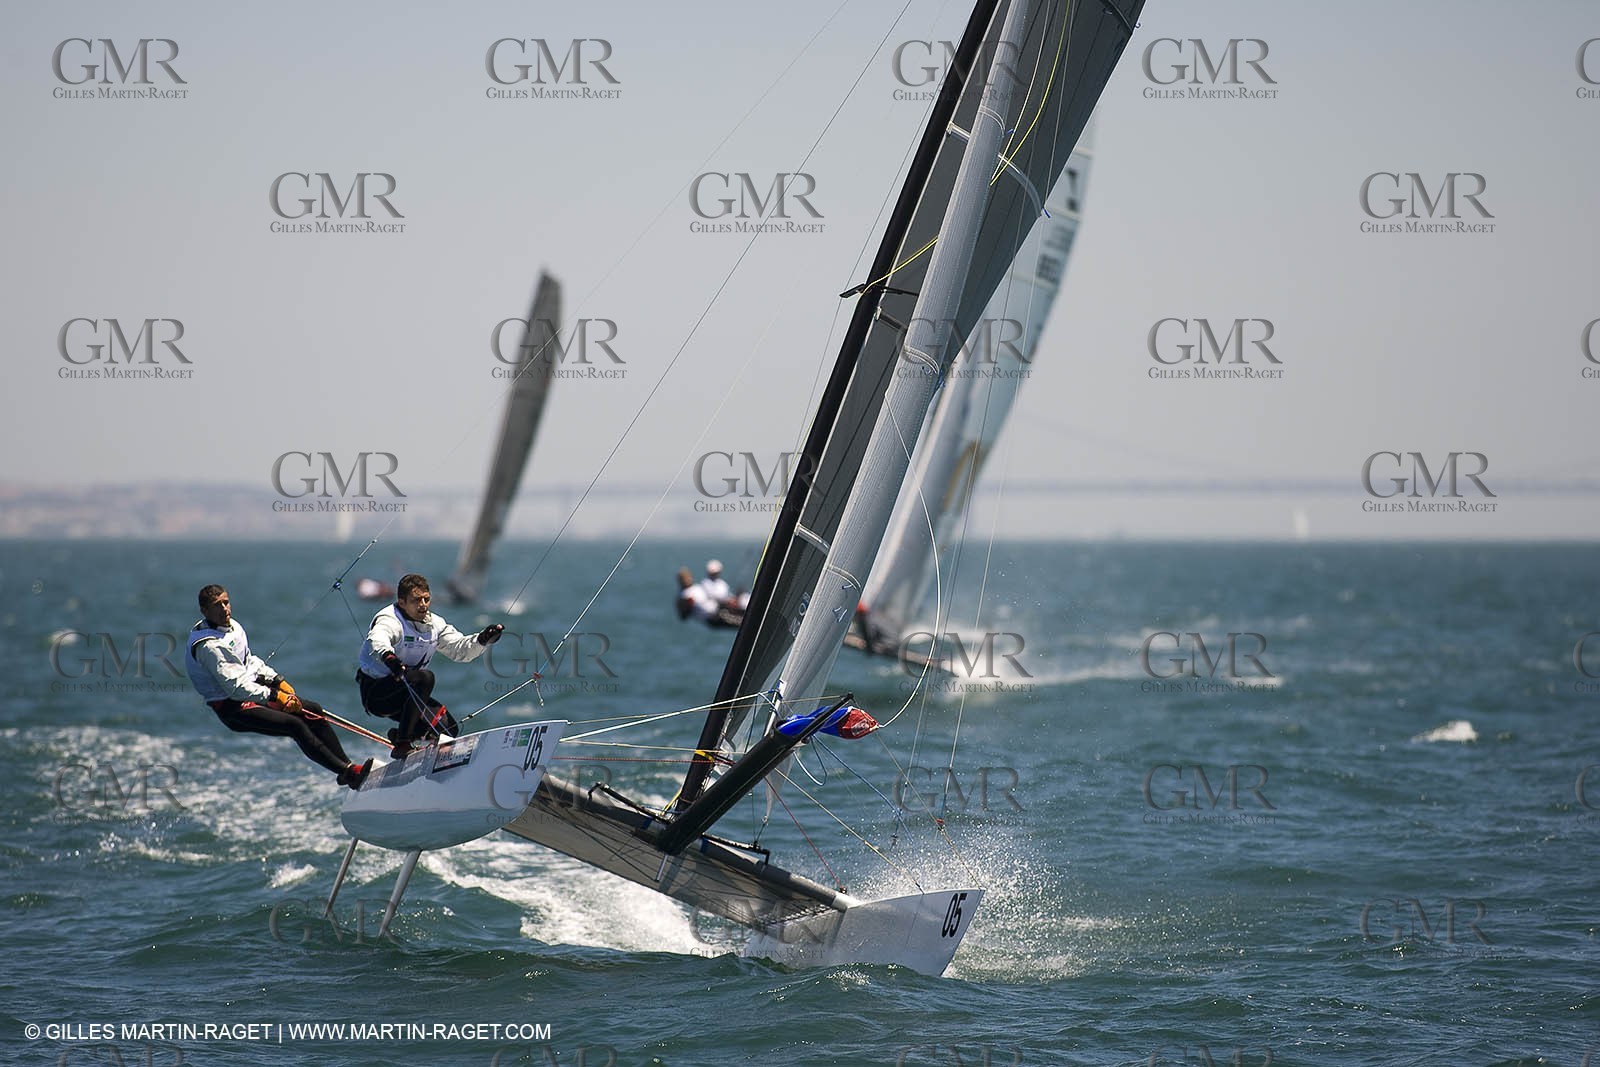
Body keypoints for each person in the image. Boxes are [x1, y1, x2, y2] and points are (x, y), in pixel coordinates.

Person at [186, 585, 371, 790]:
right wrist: (276, 696)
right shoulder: (209, 647)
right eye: (216, 606)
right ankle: (346, 772)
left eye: (225, 602)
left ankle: (347, 768)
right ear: (204, 611)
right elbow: (236, 688)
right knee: (295, 725)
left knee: (313, 711)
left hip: (251, 693)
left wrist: (276, 679)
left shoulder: (232, 627)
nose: (224, 609)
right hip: (232, 708)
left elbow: (248, 662)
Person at [357, 573, 504, 759]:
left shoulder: (434, 624)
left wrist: (482, 640)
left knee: (448, 729)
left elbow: (459, 650)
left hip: (408, 696)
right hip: (378, 694)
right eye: (416, 600)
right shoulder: (389, 619)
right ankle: (403, 744)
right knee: (425, 678)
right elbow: (377, 639)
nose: (423, 604)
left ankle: (405, 742)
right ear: (402, 602)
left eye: (427, 599)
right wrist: (389, 657)